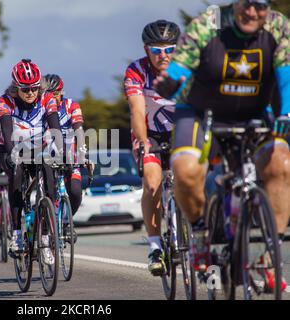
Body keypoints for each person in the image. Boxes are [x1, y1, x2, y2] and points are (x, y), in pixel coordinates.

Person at [154, 0, 290, 291]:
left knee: (282, 163)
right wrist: (171, 81)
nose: (252, 13)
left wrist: (286, 113)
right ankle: (202, 235)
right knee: (185, 170)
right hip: (202, 113)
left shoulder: (278, 26)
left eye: (260, 6)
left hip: (255, 113)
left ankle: (270, 255)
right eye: (246, 4)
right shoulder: (208, 23)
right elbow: (182, 64)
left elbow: (285, 75)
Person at [124, 19, 180, 276]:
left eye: (169, 49)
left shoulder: (185, 67)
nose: (163, 56)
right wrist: (144, 142)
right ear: (147, 49)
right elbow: (137, 110)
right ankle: (155, 246)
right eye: (157, 50)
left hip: (182, 131)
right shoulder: (137, 70)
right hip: (151, 134)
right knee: (152, 182)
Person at [0, 58, 64, 265]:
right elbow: (7, 132)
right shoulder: (5, 101)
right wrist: (11, 154)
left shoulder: (47, 98)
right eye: (25, 90)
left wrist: (61, 151)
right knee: (16, 175)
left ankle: (45, 237)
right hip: (11, 146)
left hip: (39, 148)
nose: (30, 93)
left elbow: (54, 127)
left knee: (49, 172)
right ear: (16, 88)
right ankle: (17, 233)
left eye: (34, 88)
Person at [42, 73, 87, 241]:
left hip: (69, 155)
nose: (53, 97)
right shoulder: (41, 107)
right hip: (48, 154)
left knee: (75, 192)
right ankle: (47, 223)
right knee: (50, 191)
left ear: (61, 92)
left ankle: (67, 222)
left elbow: (79, 130)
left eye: (56, 93)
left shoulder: (71, 106)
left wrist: (82, 153)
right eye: (49, 94)